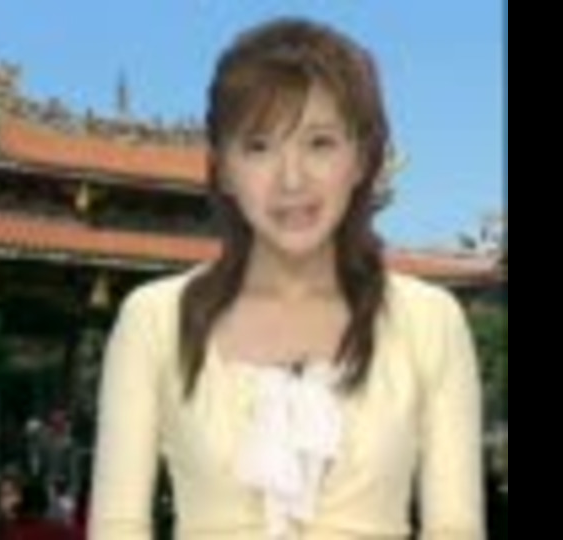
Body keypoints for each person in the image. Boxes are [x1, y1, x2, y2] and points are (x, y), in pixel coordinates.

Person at [88, 16, 485, 540]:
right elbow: (118, 527)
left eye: (320, 143)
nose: (292, 179)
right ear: (223, 169)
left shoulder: (430, 322)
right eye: (259, 146)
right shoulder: (154, 320)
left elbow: (455, 528)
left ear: (361, 159)